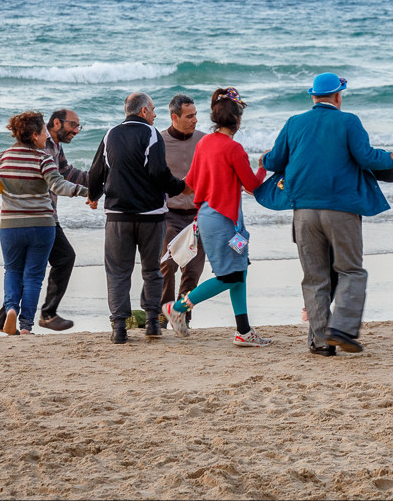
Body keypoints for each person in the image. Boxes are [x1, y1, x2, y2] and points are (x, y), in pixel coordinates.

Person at [259, 73, 393, 356]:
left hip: (303, 210)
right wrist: (392, 157)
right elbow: (366, 158)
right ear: (339, 96)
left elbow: (275, 160)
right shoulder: (348, 120)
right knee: (350, 270)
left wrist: (263, 158)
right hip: (341, 209)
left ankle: (321, 341)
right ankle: (343, 329)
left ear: (313, 96)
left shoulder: (294, 122)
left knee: (315, 277)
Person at [163, 88, 272, 347]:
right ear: (237, 120)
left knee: (239, 271)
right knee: (230, 276)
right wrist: (263, 165)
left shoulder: (204, 143)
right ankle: (178, 307)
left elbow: (189, 182)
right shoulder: (234, 149)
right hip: (225, 219)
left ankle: (243, 331)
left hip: (207, 217)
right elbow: (252, 185)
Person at [87, 92, 189, 344]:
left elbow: (97, 171)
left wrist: (93, 195)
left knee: (118, 272)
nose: (155, 115)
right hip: (151, 216)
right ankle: (153, 323)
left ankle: (119, 328)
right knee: (152, 269)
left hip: (118, 217)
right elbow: (158, 173)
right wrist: (180, 187)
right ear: (143, 111)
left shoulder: (111, 134)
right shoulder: (151, 134)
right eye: (153, 109)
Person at [0, 108, 88, 333]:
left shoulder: (4, 157)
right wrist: (86, 192)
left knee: (14, 270)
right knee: (35, 273)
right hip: (43, 222)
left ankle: (9, 312)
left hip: (11, 224)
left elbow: (65, 171)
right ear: (37, 134)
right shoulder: (43, 156)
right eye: (43, 129)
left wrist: (96, 180)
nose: (76, 130)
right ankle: (31, 322)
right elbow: (59, 184)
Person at [159, 93, 207, 327]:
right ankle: (161, 315)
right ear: (174, 117)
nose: (195, 120)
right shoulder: (159, 141)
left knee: (193, 270)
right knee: (167, 265)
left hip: (199, 216)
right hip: (170, 214)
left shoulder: (204, 140)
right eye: (189, 116)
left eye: (196, 115)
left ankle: (183, 317)